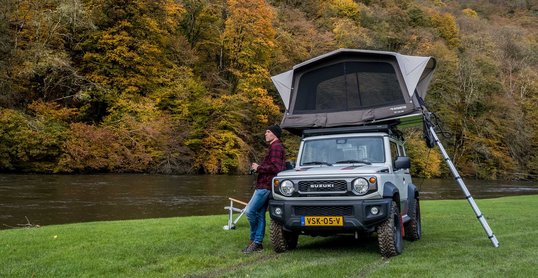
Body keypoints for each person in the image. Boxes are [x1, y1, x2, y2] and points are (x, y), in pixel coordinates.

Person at [242, 125, 286, 254]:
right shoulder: (273, 147)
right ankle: (257, 243)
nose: (265, 134)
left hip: (265, 186)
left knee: (250, 211)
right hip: (265, 185)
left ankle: (254, 240)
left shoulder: (276, 147)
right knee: (260, 214)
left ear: (275, 134)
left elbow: (276, 168)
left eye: (268, 132)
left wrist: (258, 168)